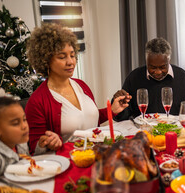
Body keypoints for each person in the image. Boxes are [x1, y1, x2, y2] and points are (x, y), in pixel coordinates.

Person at [25, 23, 129, 154]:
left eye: (72, 55)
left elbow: (88, 120)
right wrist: (46, 143)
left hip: (95, 155)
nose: (70, 62)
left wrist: (112, 110)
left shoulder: (81, 85)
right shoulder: (37, 101)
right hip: (69, 162)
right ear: (45, 60)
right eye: (62, 57)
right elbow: (34, 147)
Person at [112, 37, 185, 121]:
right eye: (152, 67)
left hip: (173, 129)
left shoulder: (181, 75)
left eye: (162, 67)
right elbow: (123, 115)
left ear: (169, 61)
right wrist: (117, 105)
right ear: (146, 61)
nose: (158, 72)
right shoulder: (134, 77)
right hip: (143, 130)